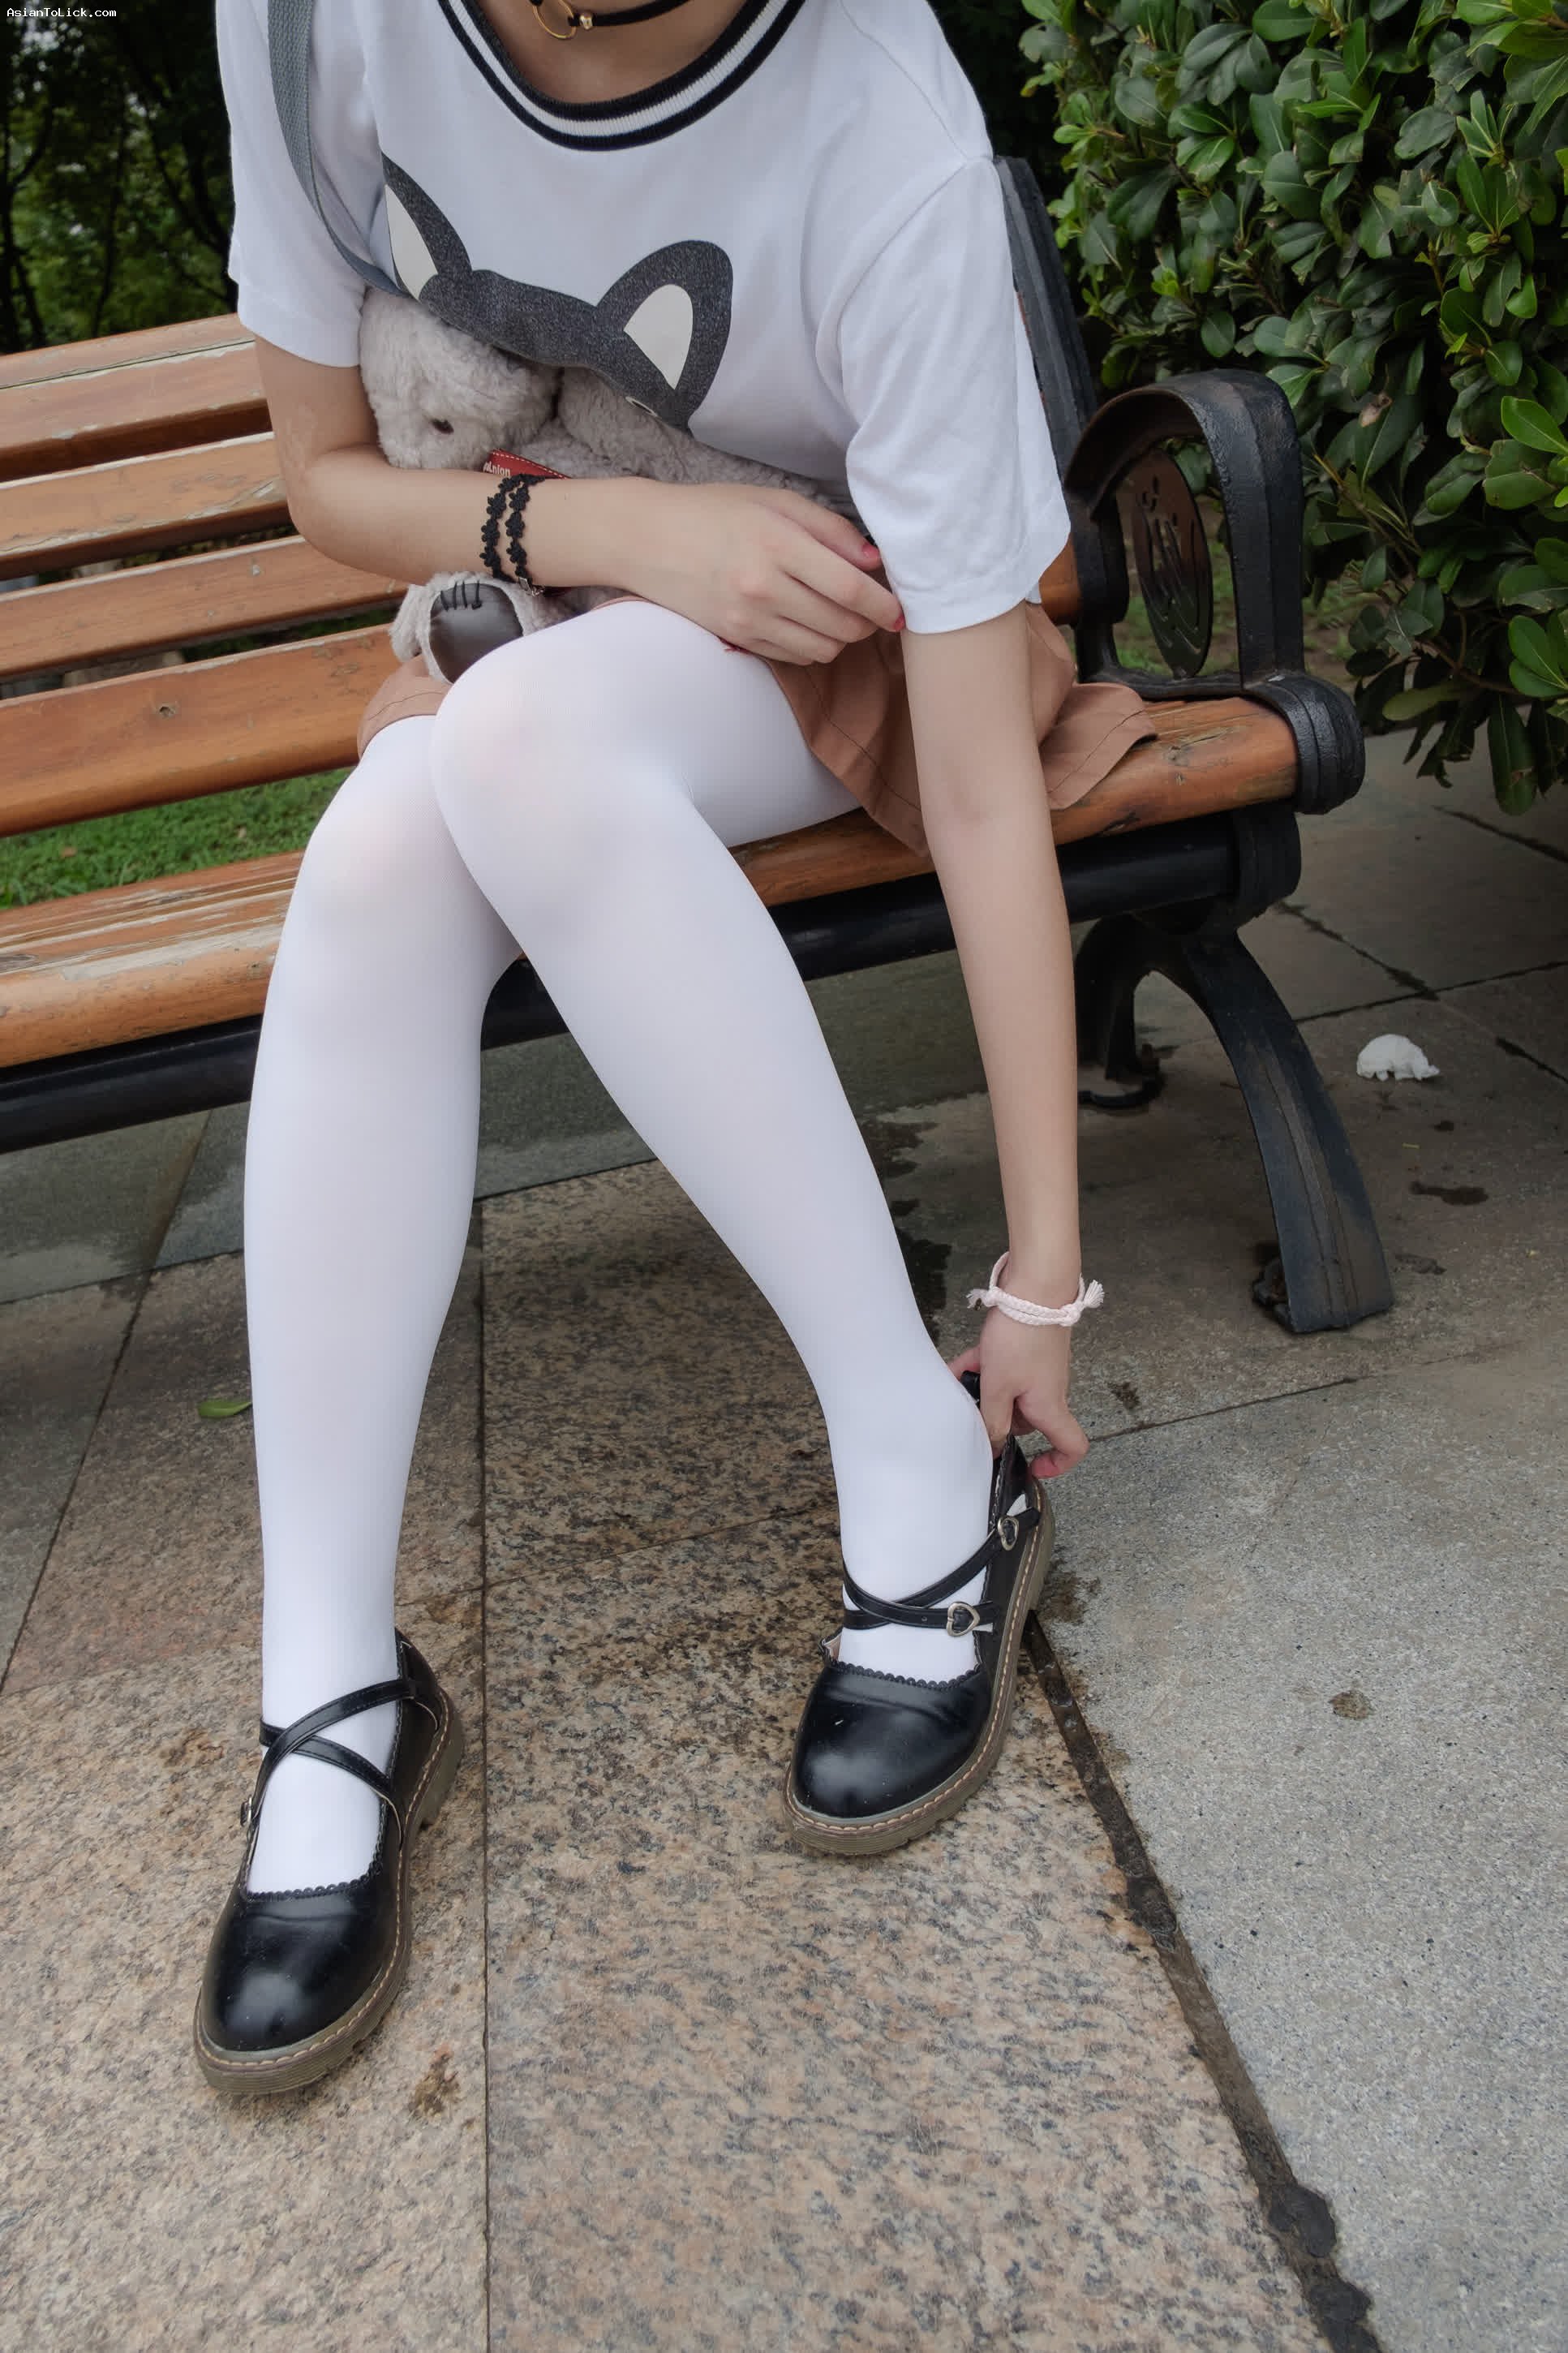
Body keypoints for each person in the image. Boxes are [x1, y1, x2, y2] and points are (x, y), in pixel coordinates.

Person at [195, 0, 1136, 2097]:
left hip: (845, 630)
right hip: (550, 592)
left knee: (511, 748)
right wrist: (616, 538)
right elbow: (324, 476)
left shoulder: (877, 115)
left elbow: (985, 786)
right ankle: (332, 1683)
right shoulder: (308, 20)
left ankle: (926, 1466)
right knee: (375, 855)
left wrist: (1043, 1282)